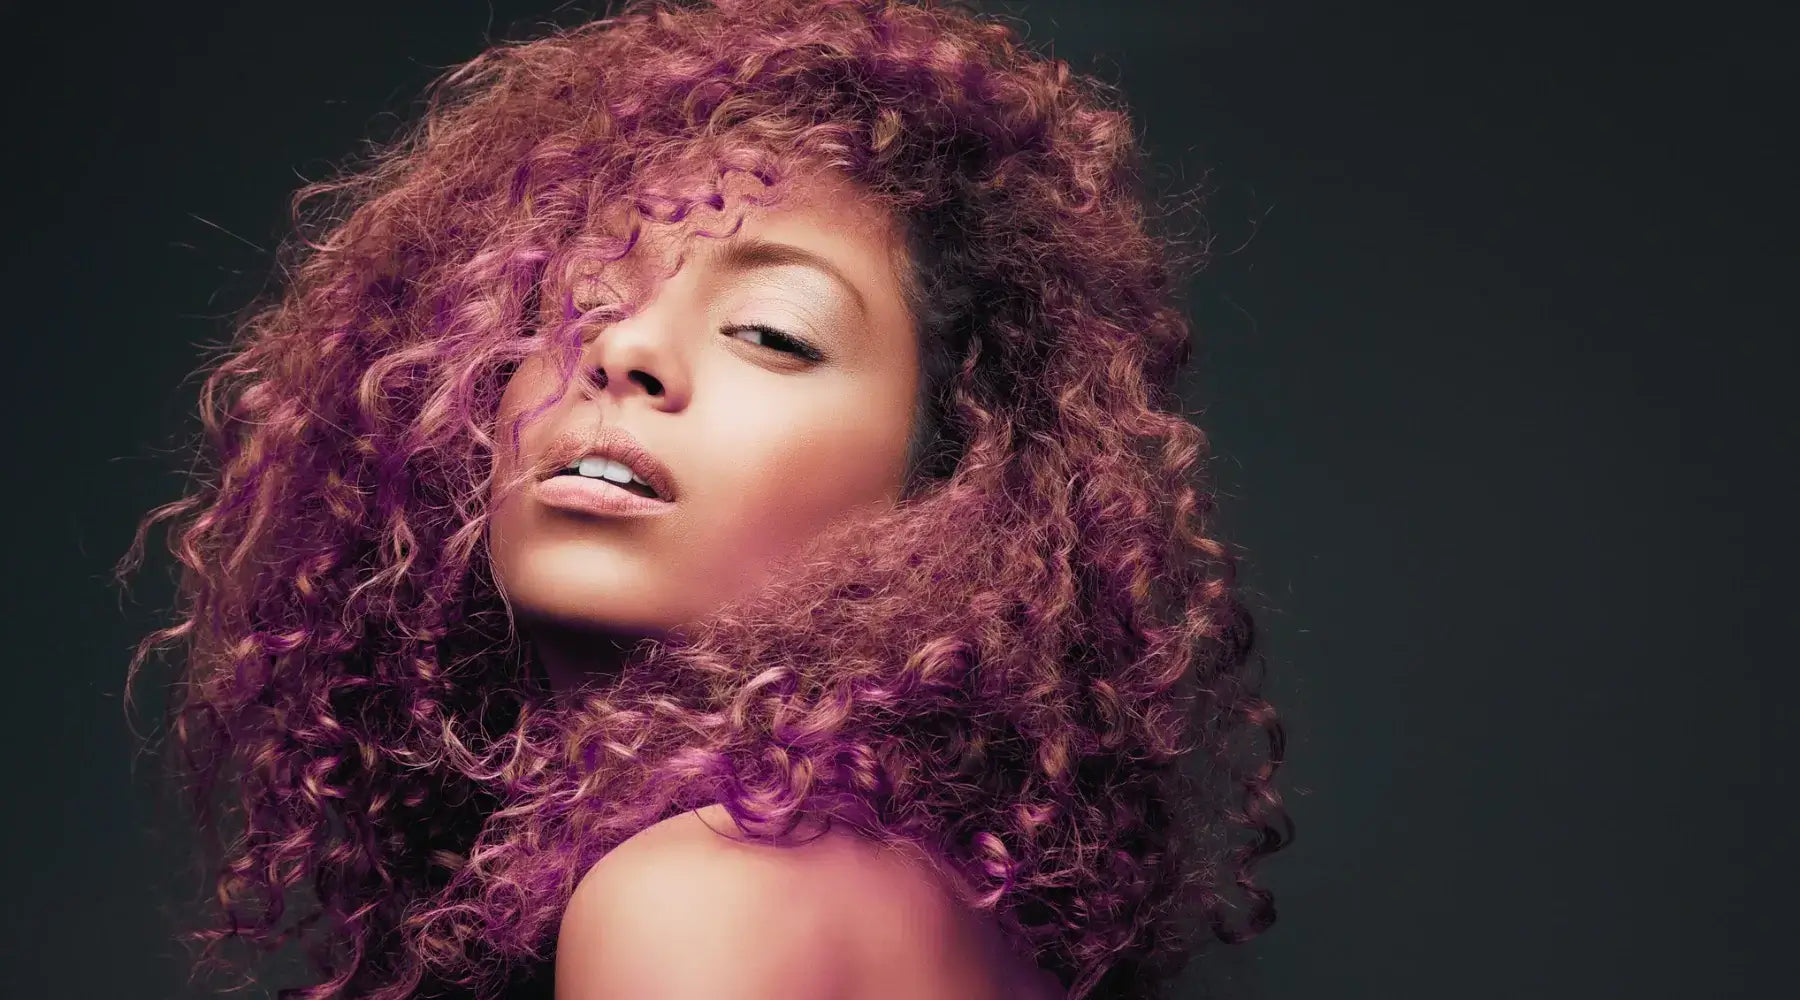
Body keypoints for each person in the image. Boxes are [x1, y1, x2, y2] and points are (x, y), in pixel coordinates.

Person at [115, 1, 1292, 998]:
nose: (622, 353)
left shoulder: (709, 896)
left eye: (773, 332)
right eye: (576, 300)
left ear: (954, 487)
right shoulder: (910, 889)